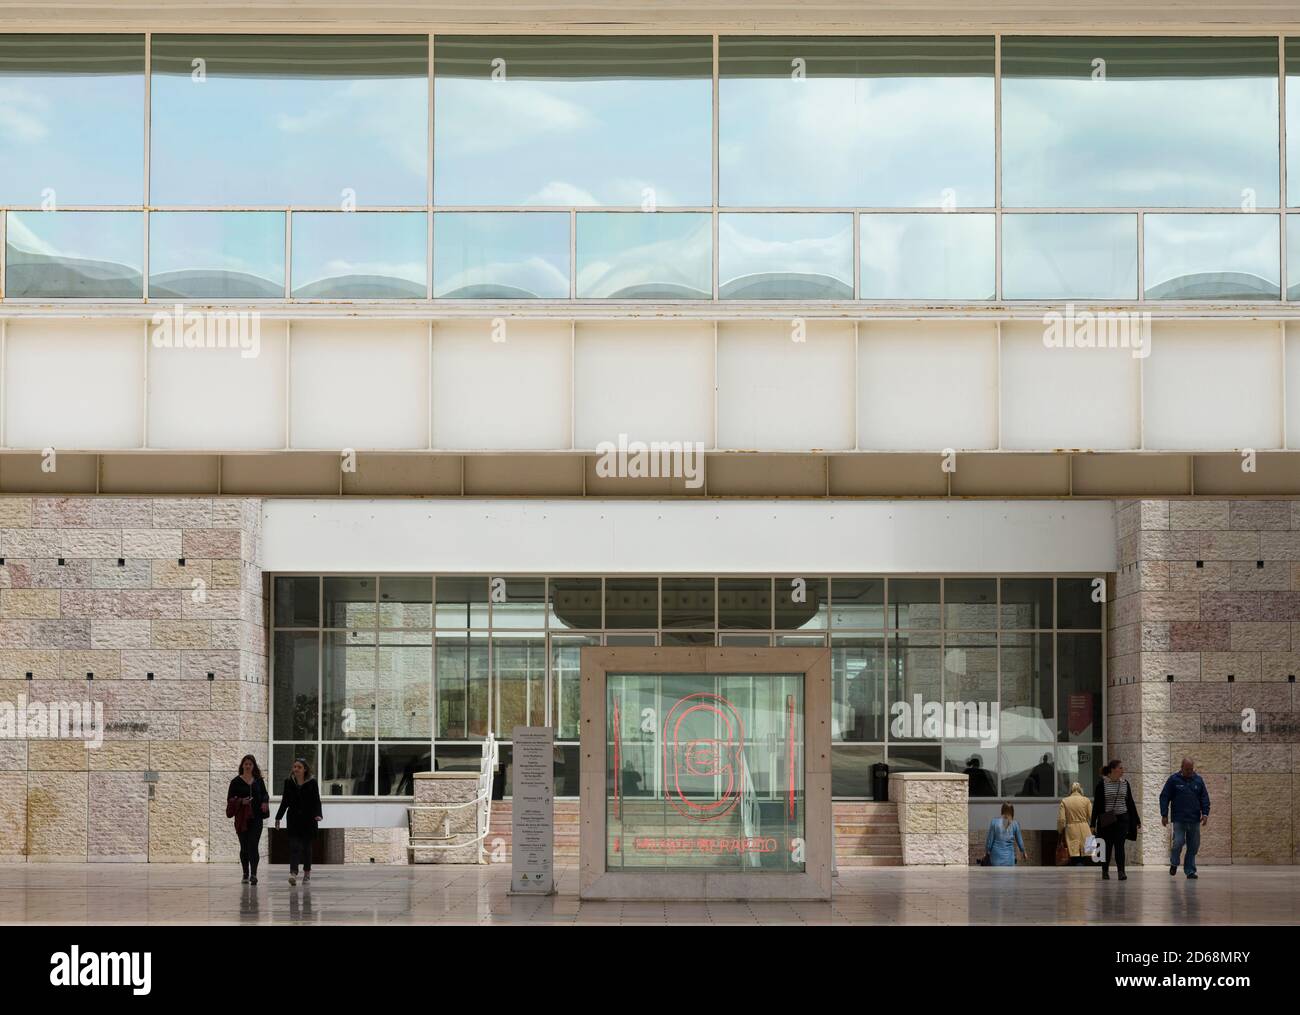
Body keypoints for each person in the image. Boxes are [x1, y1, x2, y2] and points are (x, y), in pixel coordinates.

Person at [1159, 757, 1210, 879]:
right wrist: (1164, 814)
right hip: (1179, 819)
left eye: (1191, 769)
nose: (1189, 772)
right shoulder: (1173, 780)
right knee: (1178, 843)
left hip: (1194, 819)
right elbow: (1164, 797)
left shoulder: (1198, 780)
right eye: (1187, 769)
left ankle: (1190, 871)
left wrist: (1205, 814)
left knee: (1193, 846)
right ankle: (1174, 863)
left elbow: (1204, 798)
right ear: (1181, 768)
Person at [275, 758, 323, 886]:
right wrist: (278, 817)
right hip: (294, 820)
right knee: (294, 847)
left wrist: (318, 814)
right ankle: (293, 873)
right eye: (294, 767)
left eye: (299, 767)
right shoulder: (288, 782)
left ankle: (307, 873)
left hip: (308, 819)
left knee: (307, 848)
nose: (296, 769)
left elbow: (316, 800)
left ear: (305, 769)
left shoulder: (312, 782)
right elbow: (285, 801)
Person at [1092, 758, 1140, 880]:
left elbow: (1130, 803)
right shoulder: (1102, 784)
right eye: (1120, 768)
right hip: (1107, 818)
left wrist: (1136, 820)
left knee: (1120, 845)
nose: (1122, 770)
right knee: (1107, 846)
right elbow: (1097, 805)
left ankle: (1121, 872)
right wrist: (1092, 823)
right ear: (1113, 770)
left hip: (1122, 818)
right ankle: (1105, 870)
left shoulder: (1125, 783)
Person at [227, 754, 270, 884]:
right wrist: (241, 801)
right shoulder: (235, 781)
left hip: (256, 818)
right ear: (242, 766)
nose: (247, 766)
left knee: (253, 845)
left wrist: (264, 802)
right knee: (244, 846)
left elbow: (265, 794)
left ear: (253, 766)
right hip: (242, 819)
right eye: (245, 764)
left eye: (250, 764)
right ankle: (245, 872)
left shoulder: (258, 780)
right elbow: (229, 799)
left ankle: (254, 874)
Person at [1057, 781, 1093, 866]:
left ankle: (1075, 876)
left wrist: (1060, 830)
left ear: (1070, 790)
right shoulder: (1086, 800)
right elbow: (1092, 817)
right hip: (1085, 829)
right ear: (1080, 790)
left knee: (1074, 856)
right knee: (1084, 856)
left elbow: (1061, 820)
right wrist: (1093, 830)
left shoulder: (1065, 801)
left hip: (1071, 830)